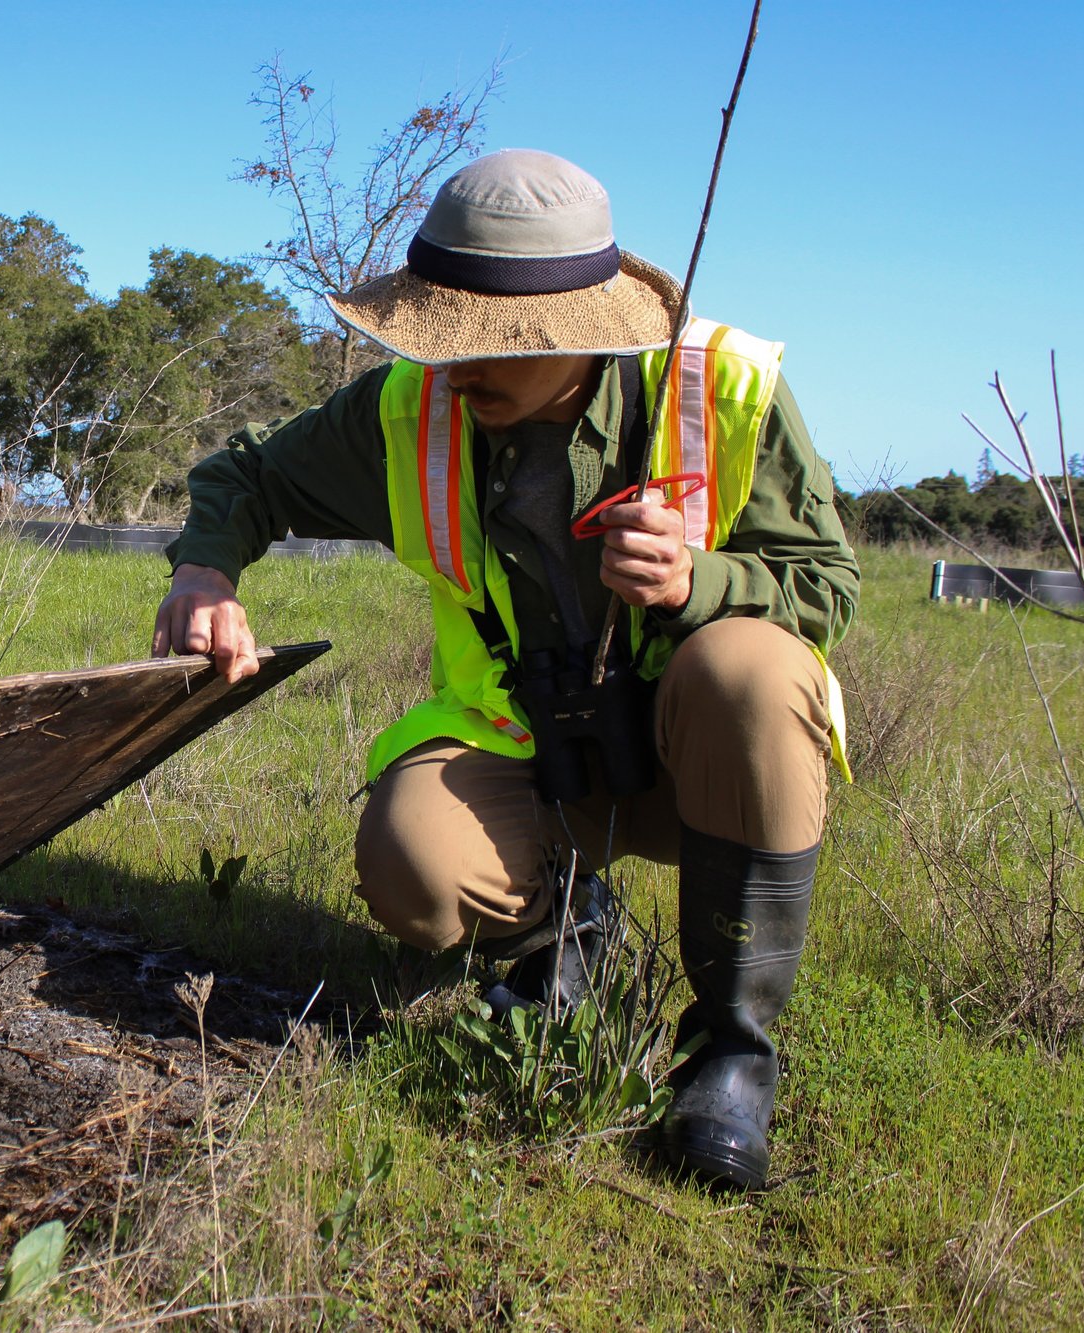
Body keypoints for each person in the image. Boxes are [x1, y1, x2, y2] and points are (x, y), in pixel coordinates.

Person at [150, 149, 857, 1193]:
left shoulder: (722, 386)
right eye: (444, 338)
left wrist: (694, 582)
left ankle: (728, 1053)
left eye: (490, 344)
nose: (455, 368)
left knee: (749, 672)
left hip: (696, 760)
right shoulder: (413, 409)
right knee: (411, 865)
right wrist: (207, 570)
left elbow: (825, 587)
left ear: (577, 330)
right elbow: (249, 473)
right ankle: (561, 931)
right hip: (527, 749)